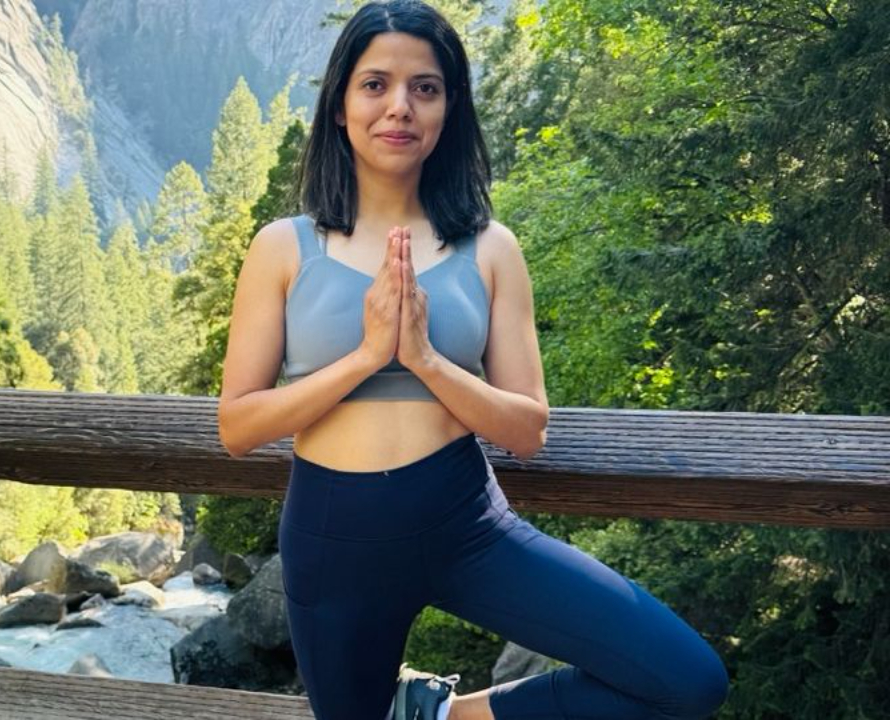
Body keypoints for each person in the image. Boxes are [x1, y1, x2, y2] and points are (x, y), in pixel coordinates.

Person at [216, 1, 730, 719]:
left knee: (687, 679)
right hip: (334, 540)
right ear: (339, 106)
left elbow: (527, 428)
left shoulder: (490, 248)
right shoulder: (283, 246)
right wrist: (366, 357)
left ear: (448, 108)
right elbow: (238, 426)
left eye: (425, 88)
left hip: (464, 523)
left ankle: (444, 713)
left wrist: (425, 360)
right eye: (376, 85)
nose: (400, 106)